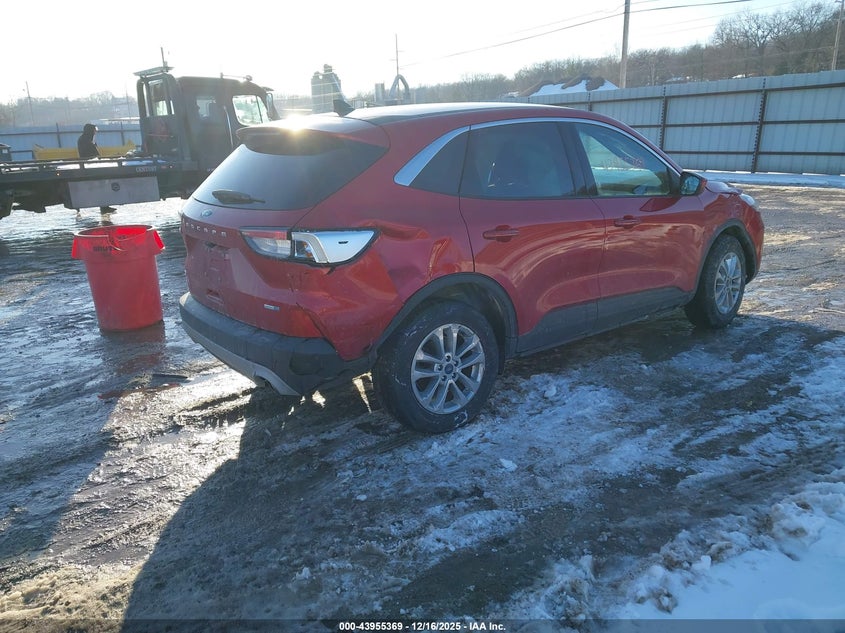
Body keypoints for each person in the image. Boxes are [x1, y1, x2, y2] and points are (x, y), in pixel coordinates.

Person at [77, 124, 116, 213]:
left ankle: (104, 207)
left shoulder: (86, 138)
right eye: (94, 130)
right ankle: (103, 207)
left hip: (91, 165)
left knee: (101, 187)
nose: (95, 132)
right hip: (90, 166)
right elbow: (92, 152)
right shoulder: (85, 139)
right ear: (90, 130)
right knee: (100, 186)